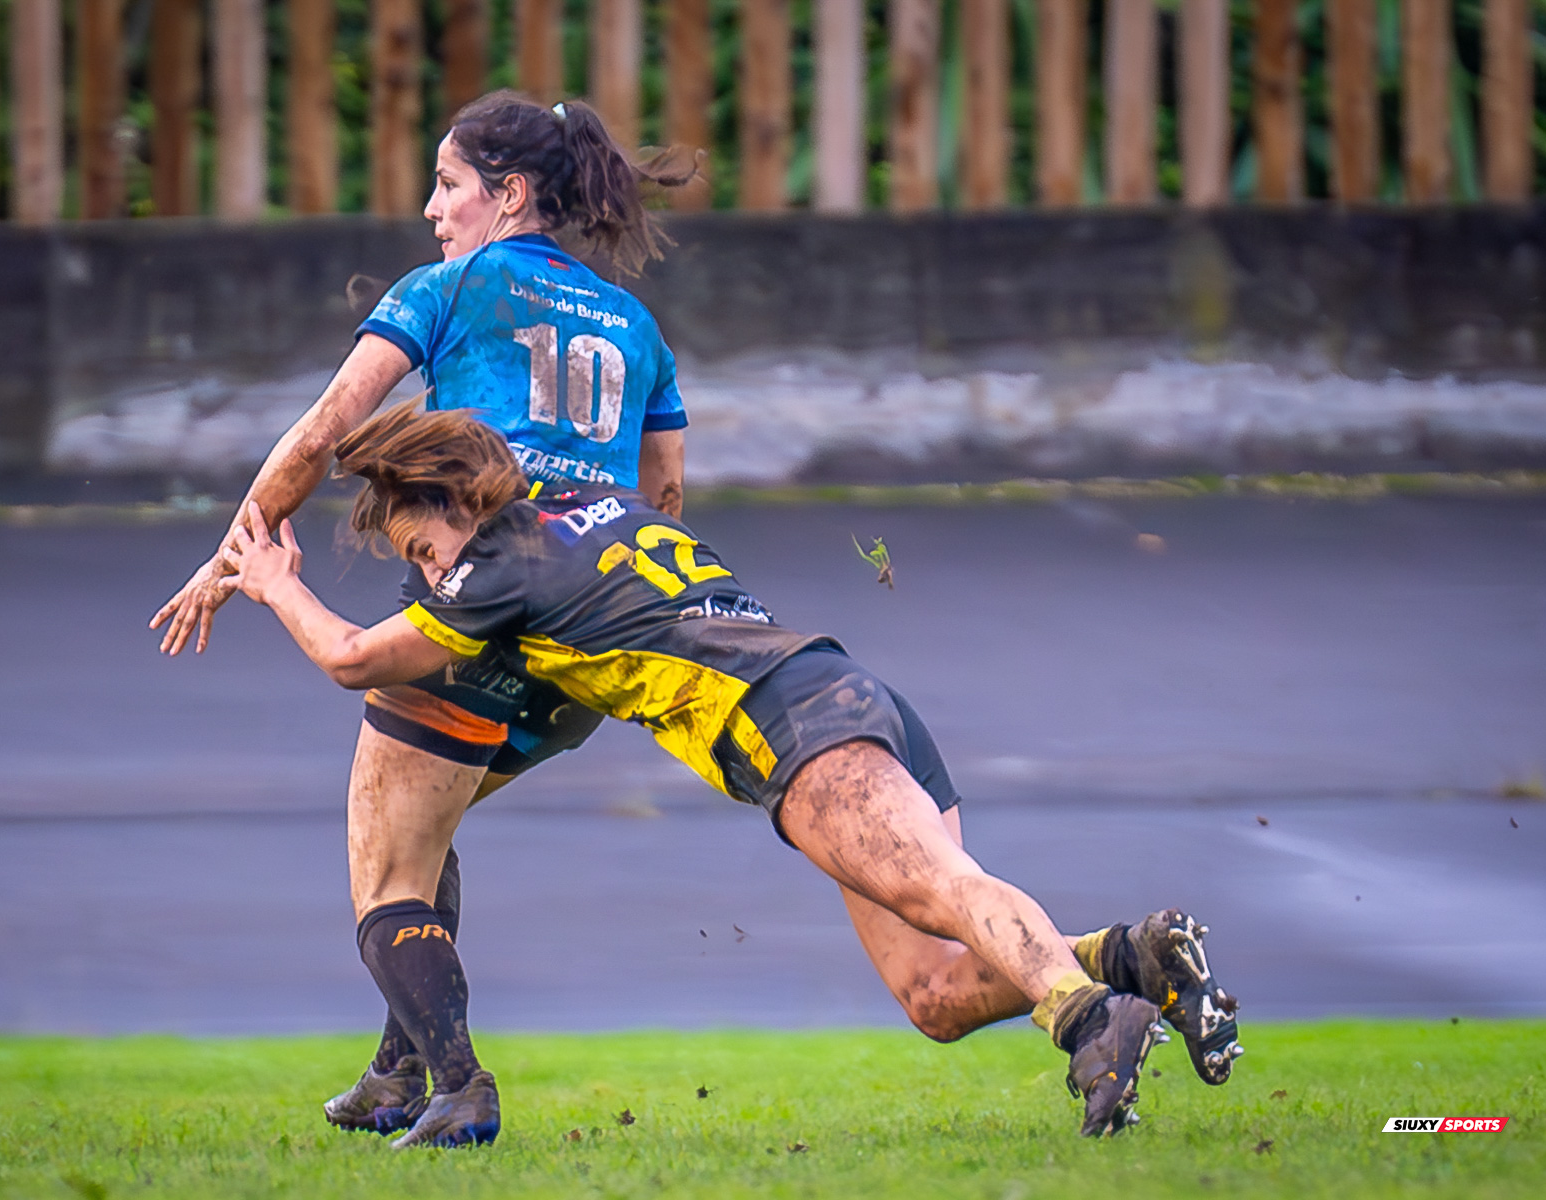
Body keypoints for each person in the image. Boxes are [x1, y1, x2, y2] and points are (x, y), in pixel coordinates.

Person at [216, 405, 1245, 1146]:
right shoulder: (590, 508)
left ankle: (1081, 1021)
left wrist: (270, 582)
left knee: (944, 892)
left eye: (422, 545)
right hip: (845, 692)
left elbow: (354, 658)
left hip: (791, 728)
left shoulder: (498, 570)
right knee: (933, 989)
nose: (430, 572)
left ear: (457, 504)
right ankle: (1131, 960)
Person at [147, 91, 695, 1135]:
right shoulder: (634, 324)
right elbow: (663, 499)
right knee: (423, 840)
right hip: (591, 634)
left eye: (449, 186)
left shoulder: (449, 287)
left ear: (510, 193)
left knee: (384, 869)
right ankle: (395, 1075)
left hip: (471, 619)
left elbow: (324, 433)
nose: (434, 209)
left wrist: (236, 551)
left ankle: (459, 1088)